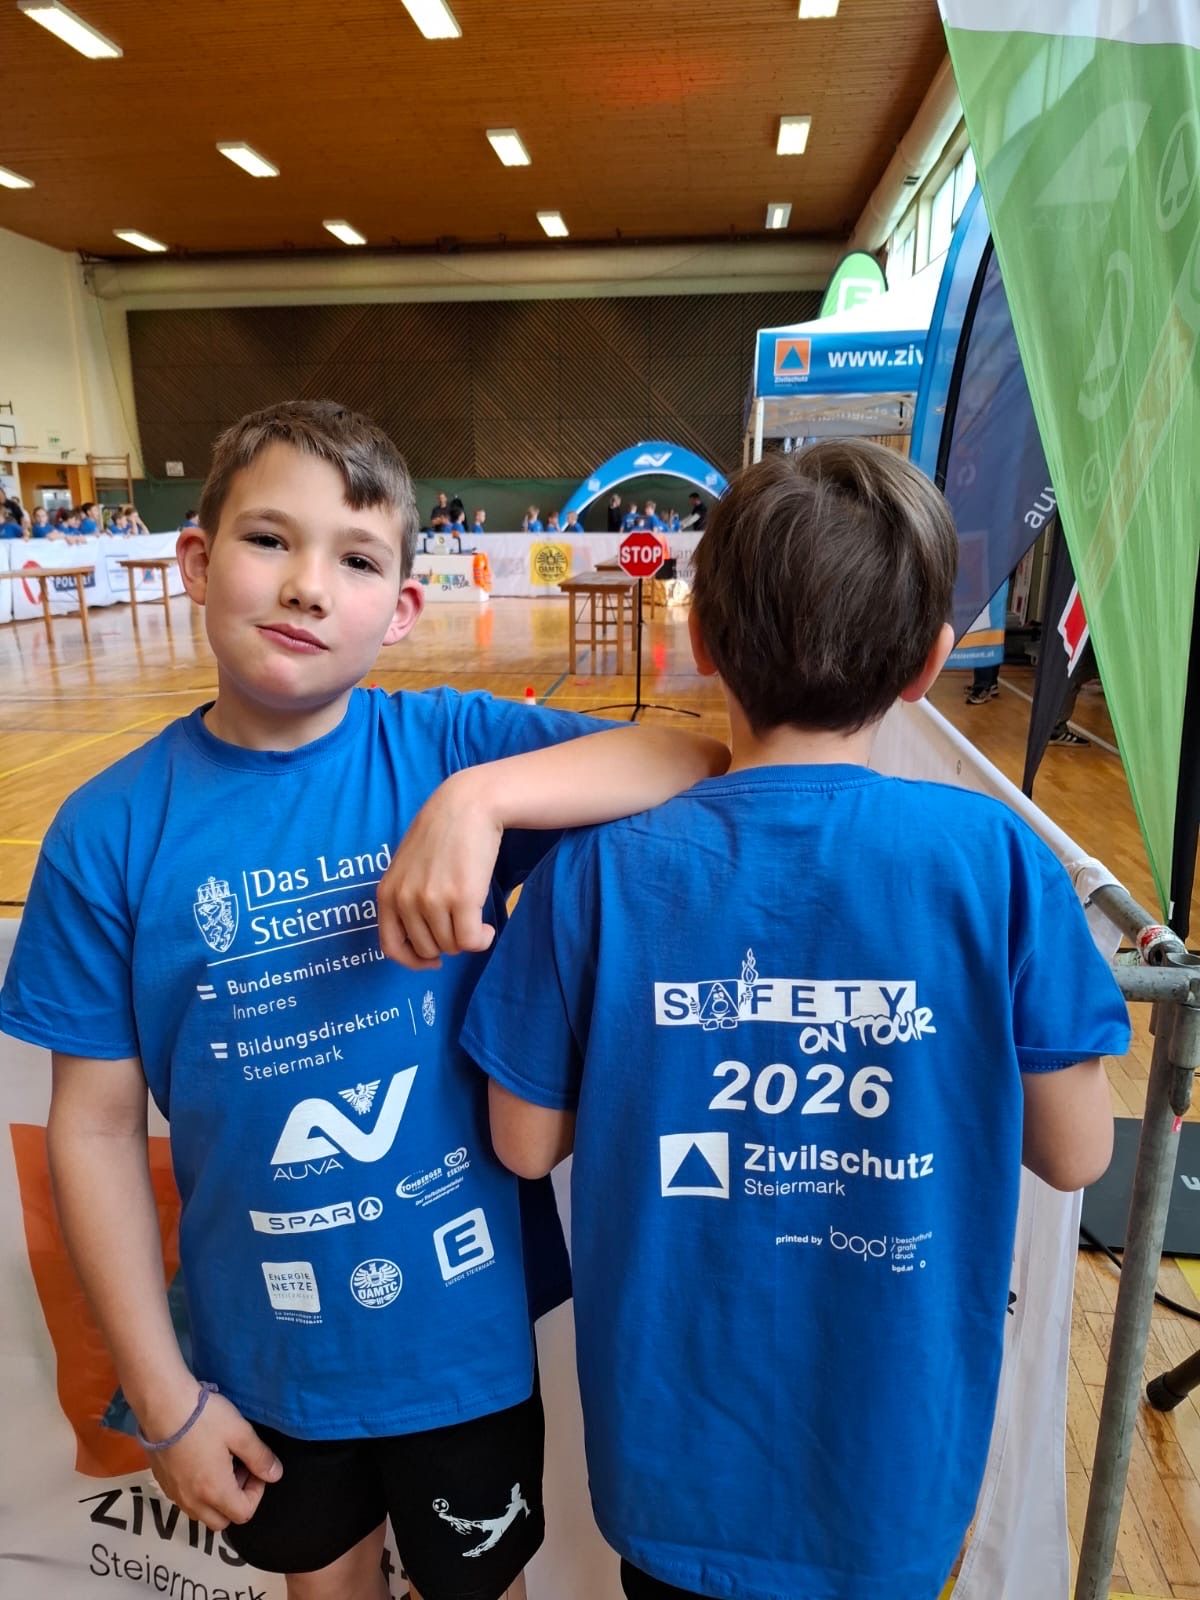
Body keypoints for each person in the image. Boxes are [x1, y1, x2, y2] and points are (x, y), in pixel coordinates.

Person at [0, 400, 725, 1600]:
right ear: (195, 557)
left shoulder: (447, 748)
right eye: (269, 540)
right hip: (266, 1348)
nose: (304, 586)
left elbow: (691, 761)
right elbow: (90, 1128)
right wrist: (168, 1401)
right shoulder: (109, 832)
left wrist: (476, 806)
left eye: (354, 557)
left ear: (398, 610)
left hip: (463, 1347)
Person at [463, 442, 1125, 1600]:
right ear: (927, 664)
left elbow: (521, 1141)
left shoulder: (597, 871)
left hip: (673, 1464)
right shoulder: (997, 864)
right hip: (895, 1472)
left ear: (704, 643)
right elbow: (1078, 1151)